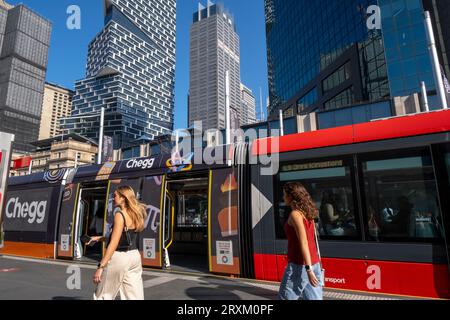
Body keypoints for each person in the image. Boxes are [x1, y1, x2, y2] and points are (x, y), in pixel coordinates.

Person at [88, 186, 148, 300]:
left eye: (115, 195)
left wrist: (101, 266)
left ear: (123, 198)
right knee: (134, 296)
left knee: (103, 295)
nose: (113, 198)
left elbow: (114, 243)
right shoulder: (136, 213)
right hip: (134, 257)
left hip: (120, 257)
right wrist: (98, 238)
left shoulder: (120, 215)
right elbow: (124, 236)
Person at [279, 182, 323, 300]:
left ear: (291, 196)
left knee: (285, 298)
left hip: (299, 266)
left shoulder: (295, 215)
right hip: (315, 263)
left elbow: (304, 243)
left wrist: (308, 269)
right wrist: (311, 268)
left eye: (284, 194)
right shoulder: (309, 212)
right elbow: (312, 240)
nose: (283, 197)